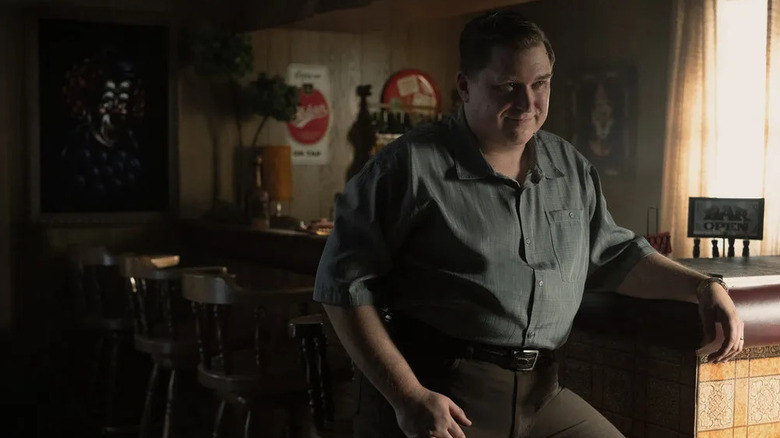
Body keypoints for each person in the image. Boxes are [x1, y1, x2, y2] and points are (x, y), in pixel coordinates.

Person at [313, 10, 743, 438]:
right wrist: (407, 396)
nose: (527, 103)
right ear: (464, 86)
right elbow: (341, 288)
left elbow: (616, 255)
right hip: (440, 397)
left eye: (540, 84)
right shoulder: (405, 168)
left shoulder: (570, 166)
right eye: (508, 87)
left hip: (542, 395)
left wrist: (704, 286)